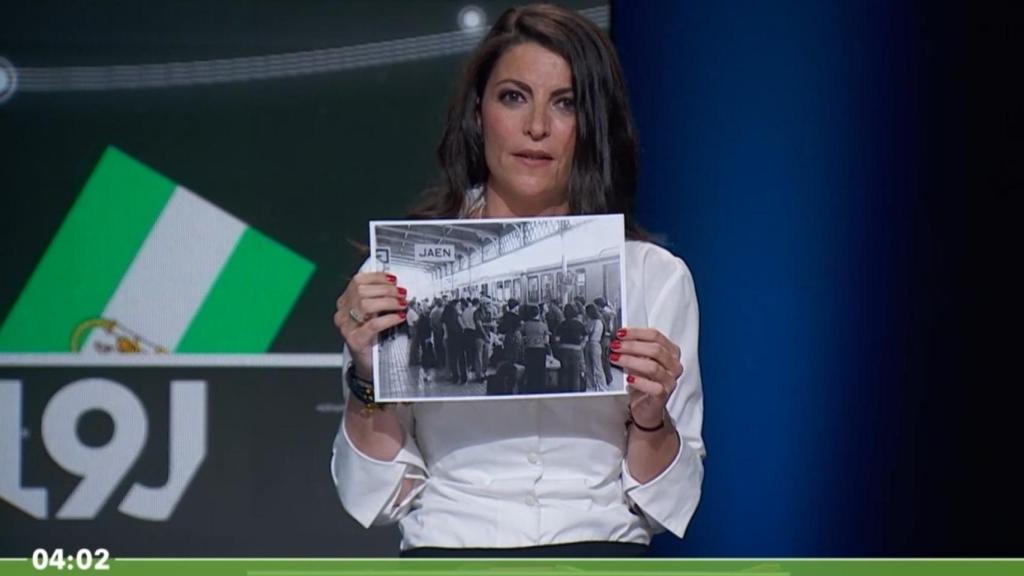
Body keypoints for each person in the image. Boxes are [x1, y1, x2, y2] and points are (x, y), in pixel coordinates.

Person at [332, 4, 704, 556]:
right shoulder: (398, 275)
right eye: (513, 97)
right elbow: (383, 496)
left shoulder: (655, 276)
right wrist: (367, 378)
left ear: (593, 125)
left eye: (565, 103)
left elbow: (663, 504)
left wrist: (651, 420)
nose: (537, 127)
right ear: (478, 114)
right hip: (449, 548)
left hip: (599, 549)